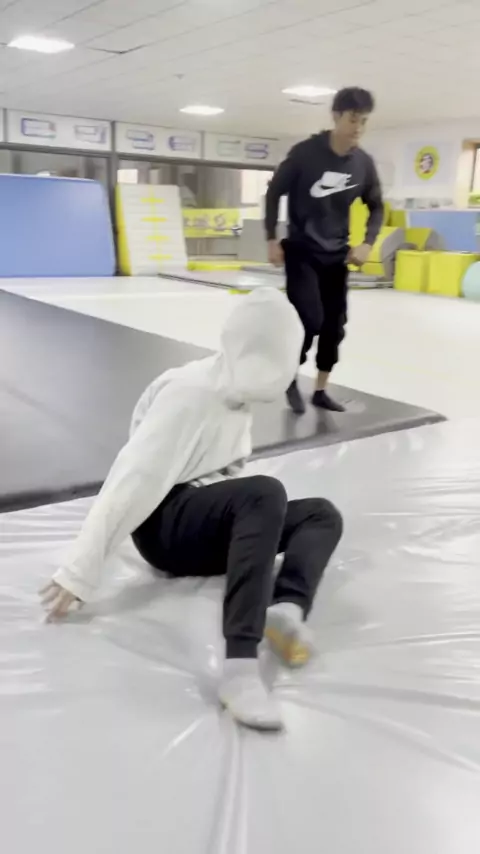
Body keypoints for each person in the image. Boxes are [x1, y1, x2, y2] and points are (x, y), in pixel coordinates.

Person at [40, 289, 343, 733]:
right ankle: (239, 668)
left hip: (200, 514)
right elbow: (133, 479)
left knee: (320, 514)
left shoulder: (238, 396)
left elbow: (224, 473)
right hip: (163, 527)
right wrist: (79, 569)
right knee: (264, 493)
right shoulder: (189, 393)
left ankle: (287, 607)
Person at [265, 86, 384, 415]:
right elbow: (274, 193)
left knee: (335, 326)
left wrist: (367, 242)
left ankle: (320, 390)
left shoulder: (363, 163)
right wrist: (271, 238)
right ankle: (289, 375)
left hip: (336, 255)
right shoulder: (305, 154)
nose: (358, 127)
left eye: (364, 121)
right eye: (353, 119)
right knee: (310, 319)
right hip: (302, 251)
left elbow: (377, 206)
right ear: (336, 116)